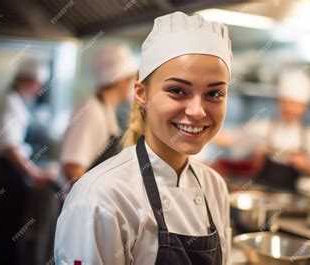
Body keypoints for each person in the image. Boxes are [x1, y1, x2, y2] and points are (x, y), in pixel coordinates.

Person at [54, 11, 233, 265]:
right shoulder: (99, 199)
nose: (197, 111)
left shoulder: (215, 187)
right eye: (177, 90)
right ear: (141, 94)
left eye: (214, 94)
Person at [0, 59, 54, 265]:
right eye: (38, 85)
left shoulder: (11, 98)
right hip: (8, 170)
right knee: (8, 225)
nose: (39, 90)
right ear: (28, 80)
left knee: (5, 224)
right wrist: (33, 173)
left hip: (6, 168)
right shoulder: (10, 102)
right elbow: (9, 146)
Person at [216, 69, 310, 191]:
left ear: (305, 106)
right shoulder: (262, 127)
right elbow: (232, 141)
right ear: (279, 102)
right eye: (286, 103)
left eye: (295, 104)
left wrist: (306, 166)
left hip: (292, 201)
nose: (290, 108)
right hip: (260, 196)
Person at [60, 45, 137, 182]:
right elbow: (71, 168)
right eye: (131, 79)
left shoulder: (106, 110)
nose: (134, 84)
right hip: (83, 202)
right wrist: (97, 198)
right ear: (119, 80)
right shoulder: (91, 111)